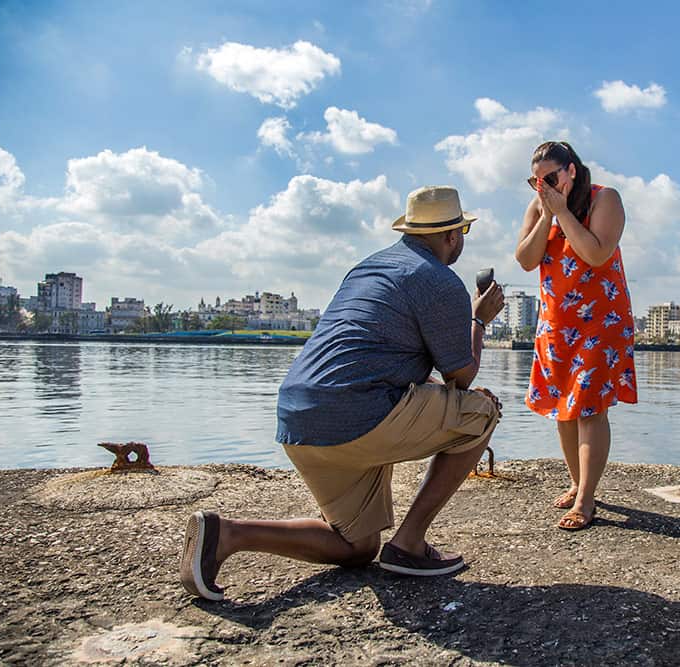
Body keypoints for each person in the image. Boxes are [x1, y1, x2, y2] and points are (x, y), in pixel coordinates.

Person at [180, 185, 505, 600]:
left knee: (356, 547)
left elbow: (371, 351)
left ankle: (227, 535)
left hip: (299, 419)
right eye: (462, 232)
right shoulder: (439, 280)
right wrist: (479, 322)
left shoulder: (367, 269)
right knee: (480, 411)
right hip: (358, 416)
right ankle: (409, 545)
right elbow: (462, 378)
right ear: (452, 235)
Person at [515, 141, 638, 531]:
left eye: (550, 178)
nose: (544, 187)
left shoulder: (605, 200)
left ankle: (586, 498)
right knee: (562, 409)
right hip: (556, 323)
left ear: (571, 170)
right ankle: (576, 482)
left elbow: (596, 254)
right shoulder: (541, 207)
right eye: (536, 182)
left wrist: (563, 213)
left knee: (589, 408)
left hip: (600, 320)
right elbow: (525, 259)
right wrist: (547, 216)